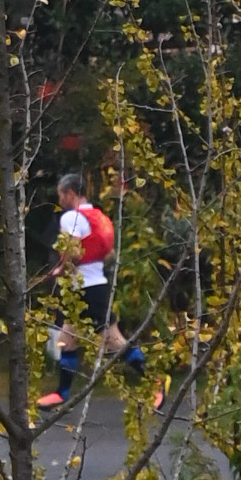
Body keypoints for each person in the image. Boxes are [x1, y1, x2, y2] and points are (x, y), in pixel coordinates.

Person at [39, 175, 141, 408]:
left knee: (113, 341)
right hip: (90, 285)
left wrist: (61, 269)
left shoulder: (71, 218)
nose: (60, 199)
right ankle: (62, 394)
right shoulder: (99, 217)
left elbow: (72, 250)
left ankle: (153, 380)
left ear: (71, 193)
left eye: (61, 194)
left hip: (87, 289)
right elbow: (108, 253)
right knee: (66, 340)